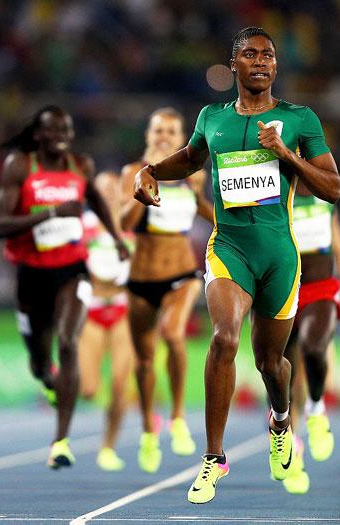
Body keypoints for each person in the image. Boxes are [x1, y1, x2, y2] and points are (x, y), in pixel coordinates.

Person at [133, 27, 340, 503]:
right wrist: (148, 171)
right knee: (224, 337)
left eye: (268, 55)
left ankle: (281, 422)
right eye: (250, 54)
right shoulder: (211, 117)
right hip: (228, 248)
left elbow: (332, 188)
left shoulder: (300, 118)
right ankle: (214, 458)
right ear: (234, 67)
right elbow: (188, 159)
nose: (261, 61)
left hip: (280, 258)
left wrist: (286, 153)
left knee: (271, 363)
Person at [0, 105, 128, 469]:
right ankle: (44, 375)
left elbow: (97, 202)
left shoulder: (80, 165)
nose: (61, 137)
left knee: (68, 341)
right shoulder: (20, 166)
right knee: (40, 359)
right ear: (38, 135)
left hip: (71, 270)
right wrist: (51, 213)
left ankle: (60, 441)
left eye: (66, 130)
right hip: (31, 274)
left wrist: (115, 237)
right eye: (53, 131)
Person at [120, 107, 213, 473]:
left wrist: (236, 222)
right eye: (158, 129)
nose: (164, 136)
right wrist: (136, 199)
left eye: (171, 131)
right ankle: (147, 429)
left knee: (173, 334)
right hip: (141, 277)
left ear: (181, 138)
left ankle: (176, 418)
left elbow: (203, 208)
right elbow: (122, 224)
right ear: (148, 133)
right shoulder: (132, 172)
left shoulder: (193, 177)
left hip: (182, 273)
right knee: (144, 361)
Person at [282, 182, 340, 494]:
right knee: (286, 382)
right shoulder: (277, 188)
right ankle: (292, 459)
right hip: (284, 290)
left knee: (313, 349)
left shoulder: (326, 192)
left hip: (320, 288)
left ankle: (316, 410)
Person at [78, 170, 135, 472]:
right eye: (101, 190)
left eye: (113, 189)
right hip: (93, 309)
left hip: (123, 309)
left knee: (119, 384)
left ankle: (108, 447)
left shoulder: (132, 225)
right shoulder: (83, 226)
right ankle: (67, 372)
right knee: (88, 389)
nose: (108, 194)